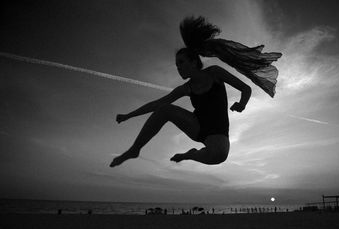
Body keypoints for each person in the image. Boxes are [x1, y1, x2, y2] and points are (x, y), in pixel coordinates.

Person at [110, 16, 281, 167]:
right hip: (197, 126)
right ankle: (134, 150)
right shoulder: (186, 88)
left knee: (219, 155)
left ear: (193, 62)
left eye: (182, 63)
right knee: (164, 109)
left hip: (218, 132)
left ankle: (190, 155)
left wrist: (242, 104)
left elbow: (246, 88)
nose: (178, 68)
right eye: (177, 65)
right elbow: (157, 103)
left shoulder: (215, 73)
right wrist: (128, 116)